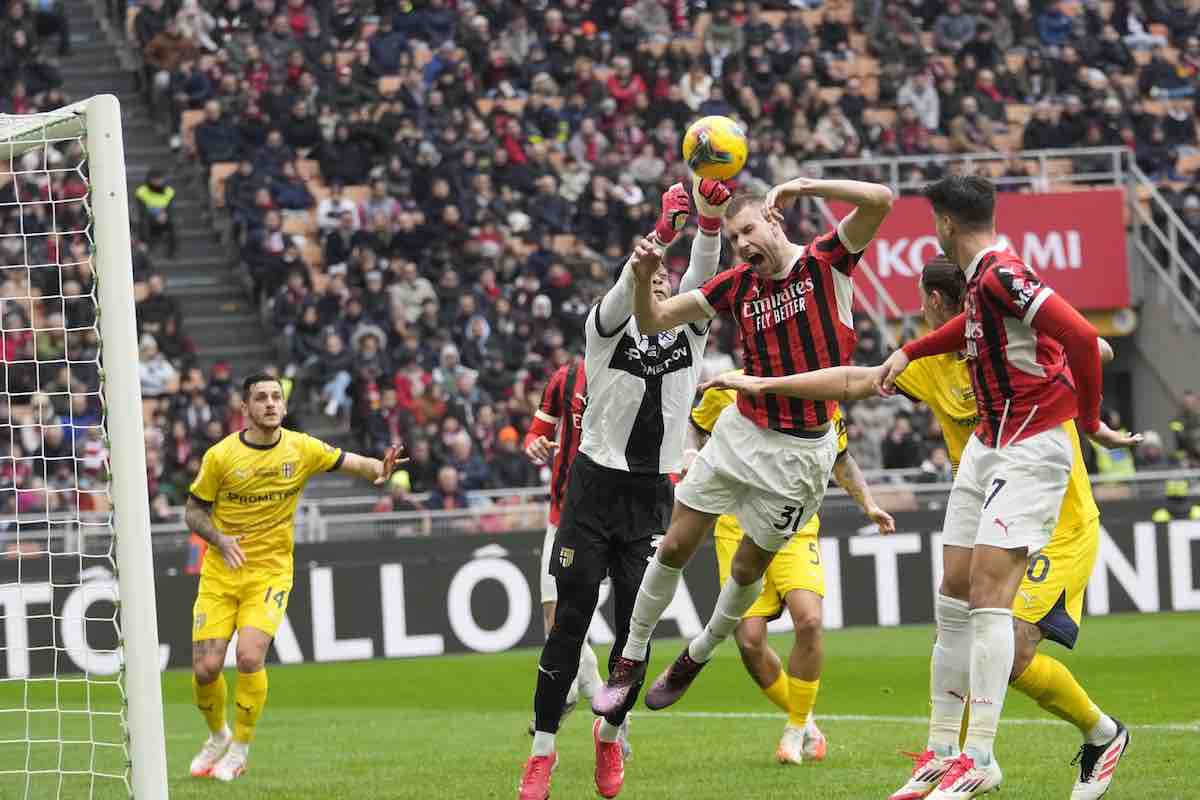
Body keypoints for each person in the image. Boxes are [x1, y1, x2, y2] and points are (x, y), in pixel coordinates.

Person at [704, 253, 1131, 799]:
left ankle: (1073, 739)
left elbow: (1096, 346)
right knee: (971, 635)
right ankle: (960, 755)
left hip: (1058, 518)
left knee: (1010, 650)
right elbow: (857, 381)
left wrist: (1066, 345)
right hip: (987, 513)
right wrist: (767, 384)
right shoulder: (930, 362)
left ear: (934, 301)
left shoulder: (1012, 341)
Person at [872, 177, 1137, 799]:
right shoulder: (982, 285)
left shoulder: (1000, 273)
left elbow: (1078, 336)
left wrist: (1092, 421)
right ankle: (940, 753)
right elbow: (969, 330)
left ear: (943, 223)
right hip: (991, 445)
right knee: (954, 594)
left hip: (1029, 447)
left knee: (991, 600)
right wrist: (911, 350)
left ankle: (981, 758)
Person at [591, 176, 893, 720]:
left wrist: (804, 185)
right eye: (732, 239)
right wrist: (641, 277)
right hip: (742, 434)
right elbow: (654, 317)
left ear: (774, 220)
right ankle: (631, 657)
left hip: (801, 455)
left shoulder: (828, 260)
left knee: (748, 572)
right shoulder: (736, 286)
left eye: (748, 230)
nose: (743, 245)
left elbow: (881, 200)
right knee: (677, 544)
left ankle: (697, 654)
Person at [518, 176, 732, 800]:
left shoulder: (690, 335)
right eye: (651, 281)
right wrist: (658, 239)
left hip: (648, 501)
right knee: (570, 623)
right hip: (591, 494)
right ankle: (541, 753)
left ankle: (609, 739)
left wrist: (710, 224)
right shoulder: (604, 332)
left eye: (669, 284)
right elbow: (627, 285)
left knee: (634, 634)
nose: (662, 286)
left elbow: (702, 273)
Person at [185, 372, 404, 782]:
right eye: (260, 398)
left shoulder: (300, 447)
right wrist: (219, 536)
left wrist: (380, 467)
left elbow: (349, 461)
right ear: (245, 408)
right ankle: (217, 736)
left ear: (283, 407)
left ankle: (241, 750)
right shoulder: (221, 457)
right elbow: (193, 510)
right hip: (220, 572)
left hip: (269, 571)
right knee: (205, 669)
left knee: (249, 656)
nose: (269, 403)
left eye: (275, 397)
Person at [687, 376, 895, 764]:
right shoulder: (725, 390)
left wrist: (869, 505)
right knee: (749, 642)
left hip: (795, 527)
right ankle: (808, 722)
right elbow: (695, 428)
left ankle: (795, 729)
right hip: (736, 528)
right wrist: (689, 458)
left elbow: (842, 459)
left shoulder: (820, 397)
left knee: (810, 620)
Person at [522, 355, 604, 734]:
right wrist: (535, 444)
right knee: (556, 621)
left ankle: (600, 708)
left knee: (569, 624)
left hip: (606, 522)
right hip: (561, 517)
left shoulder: (635, 372)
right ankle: (602, 708)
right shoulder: (566, 378)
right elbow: (536, 432)